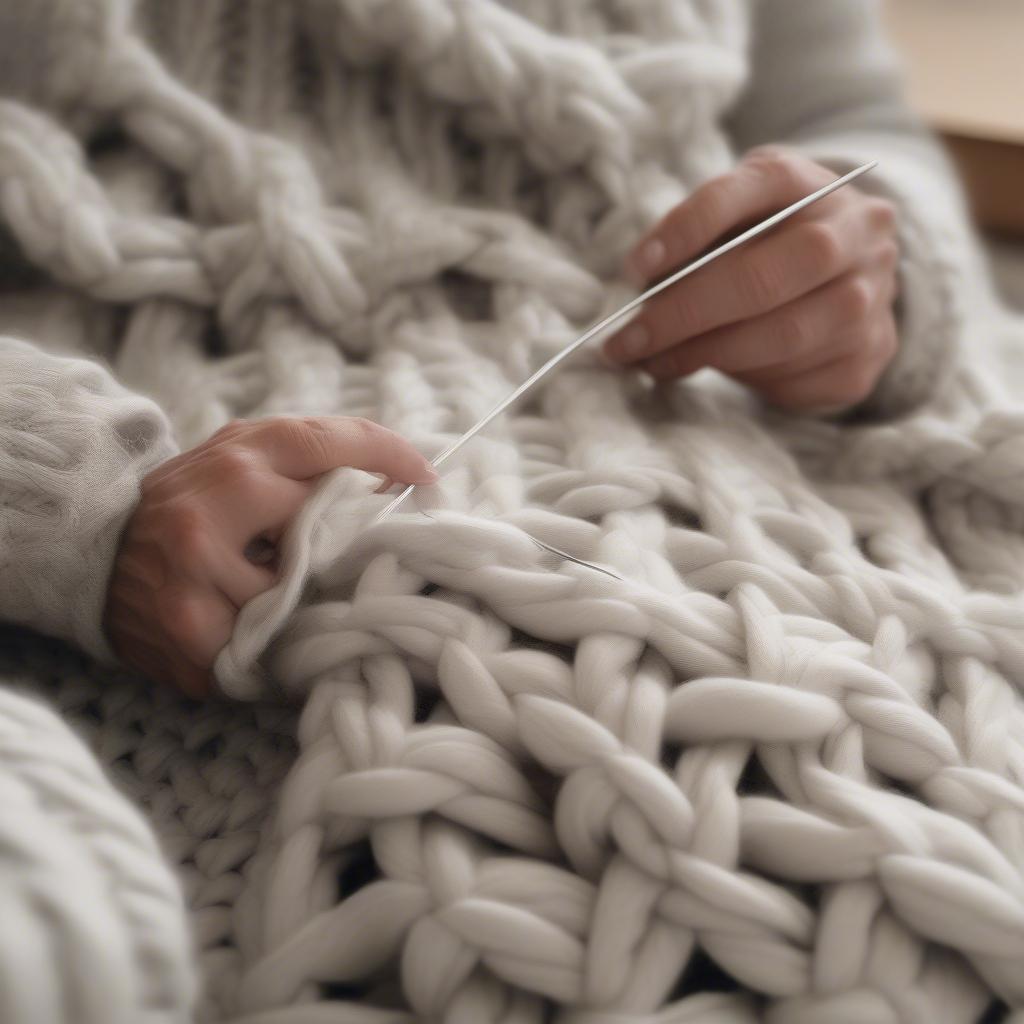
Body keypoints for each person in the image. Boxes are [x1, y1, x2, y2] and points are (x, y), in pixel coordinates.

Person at [0, 0, 986, 699]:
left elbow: (850, 124)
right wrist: (70, 492)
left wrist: (872, 270)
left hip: (760, 446)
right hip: (196, 531)